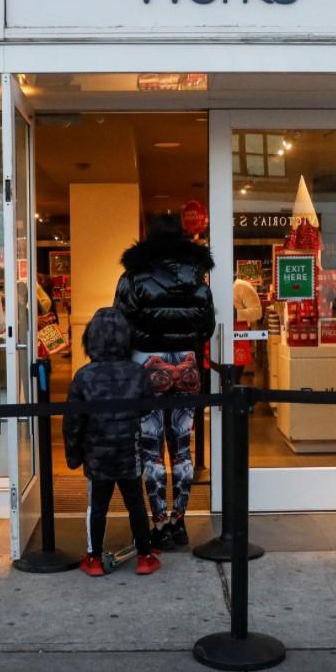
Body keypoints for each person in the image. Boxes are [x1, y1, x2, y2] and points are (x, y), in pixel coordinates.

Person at [114, 213, 216, 550]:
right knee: (183, 448)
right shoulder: (198, 277)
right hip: (187, 363)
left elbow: (121, 323)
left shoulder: (134, 276)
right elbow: (207, 326)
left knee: (151, 449)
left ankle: (157, 523)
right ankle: (179, 523)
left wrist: (141, 346)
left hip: (148, 364)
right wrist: (185, 343)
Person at [63, 307, 162, 576]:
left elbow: (73, 422)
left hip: (97, 454)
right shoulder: (137, 372)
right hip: (130, 451)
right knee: (136, 504)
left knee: (97, 507)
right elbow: (147, 409)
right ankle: (145, 556)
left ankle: (94, 558)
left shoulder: (83, 376)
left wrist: (73, 455)